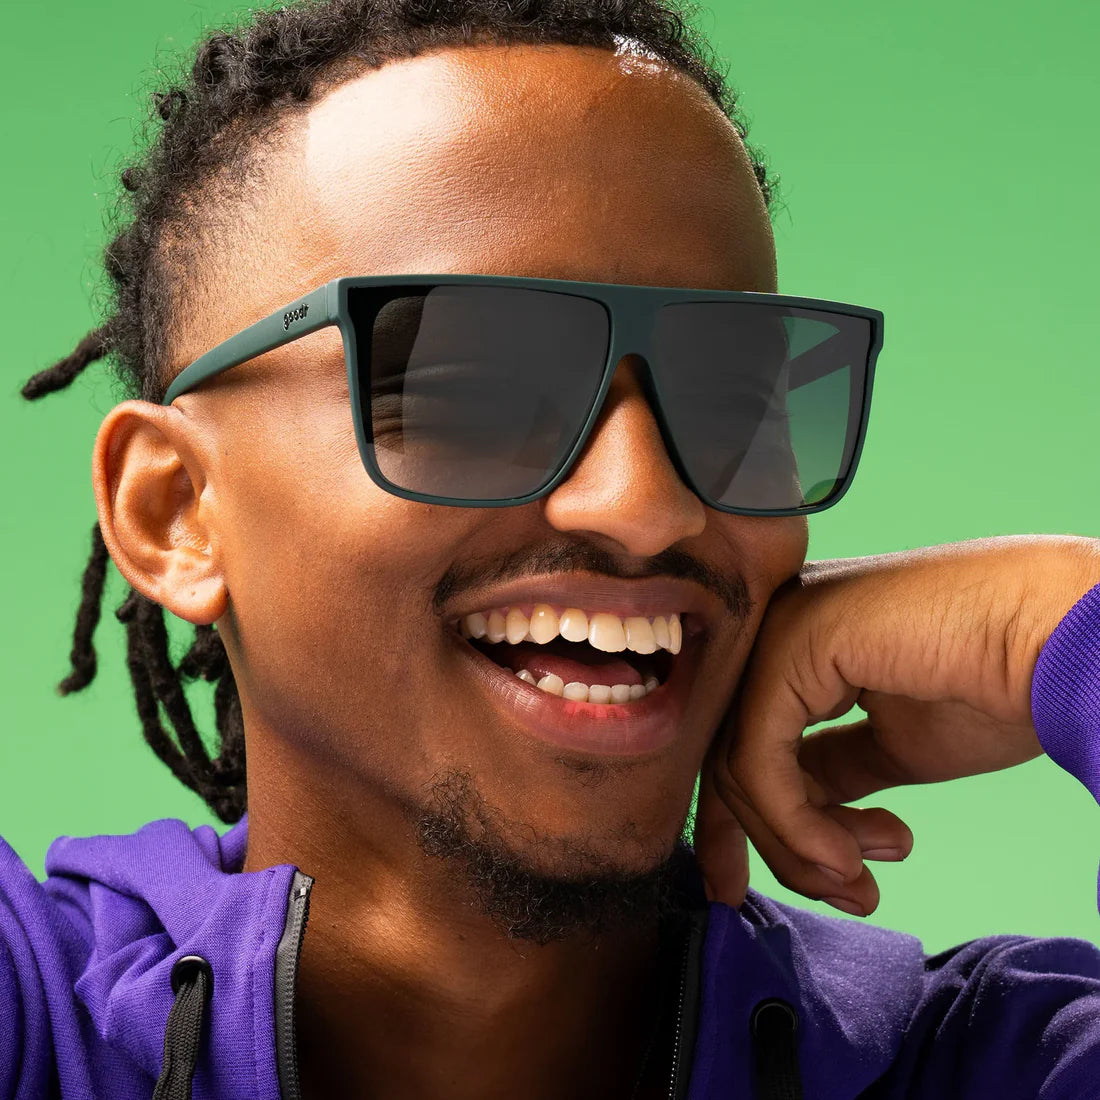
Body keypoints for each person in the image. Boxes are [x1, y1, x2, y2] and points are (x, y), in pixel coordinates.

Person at [10, 0, 1100, 1097]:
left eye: (730, 397)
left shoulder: (988, 1067)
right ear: (174, 511)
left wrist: (1066, 626)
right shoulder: (39, 1027)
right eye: (472, 385)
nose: (646, 503)